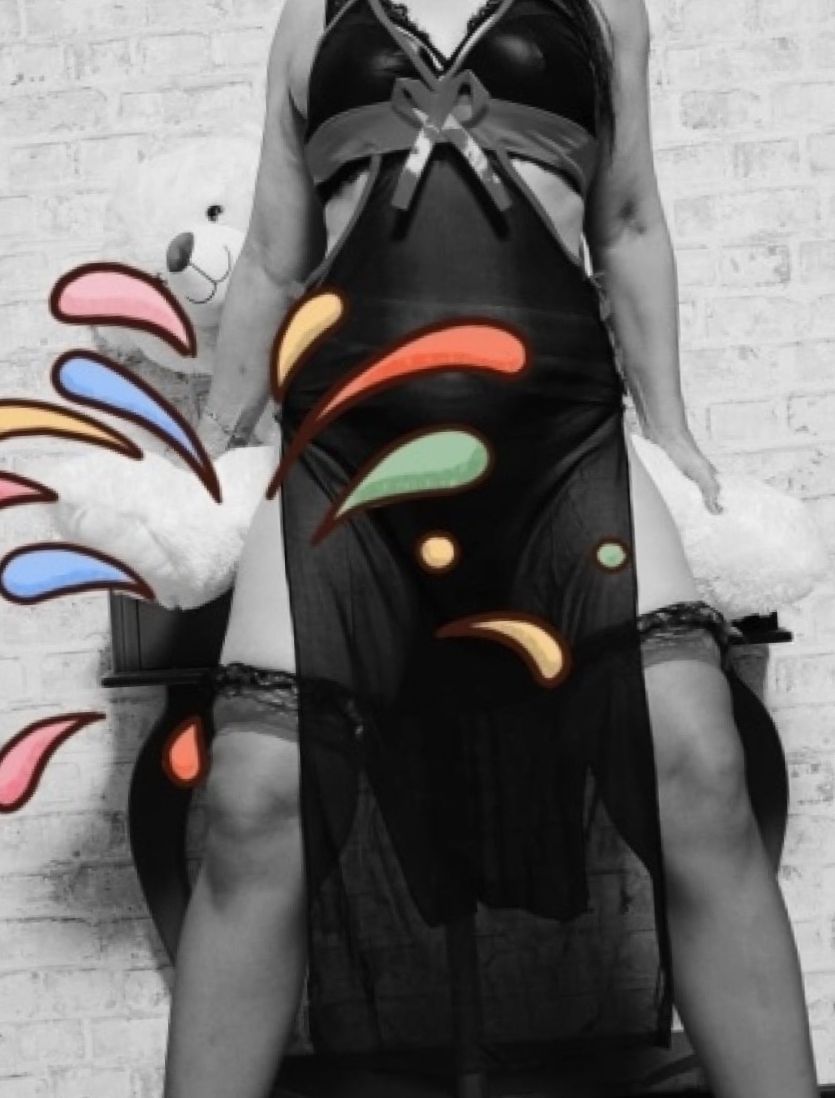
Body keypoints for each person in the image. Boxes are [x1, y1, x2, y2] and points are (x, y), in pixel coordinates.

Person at [161, 1, 819, 1096]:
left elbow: (628, 225)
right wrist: (217, 443)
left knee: (700, 763)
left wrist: (670, 427)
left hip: (561, 444)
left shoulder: (606, 8)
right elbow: (275, 258)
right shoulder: (311, 16)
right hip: (344, 458)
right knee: (249, 798)